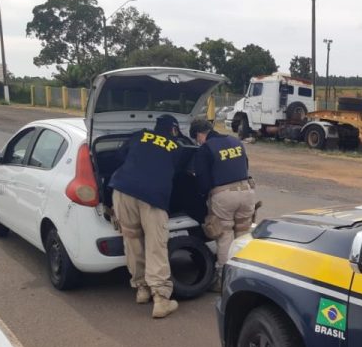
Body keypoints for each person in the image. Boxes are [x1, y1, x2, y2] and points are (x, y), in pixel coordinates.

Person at [110, 114, 183, 319]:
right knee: (155, 243)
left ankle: (141, 289)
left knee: (132, 239)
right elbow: (176, 172)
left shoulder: (138, 136)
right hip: (152, 196)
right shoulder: (176, 147)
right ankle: (160, 299)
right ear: (174, 130)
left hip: (123, 191)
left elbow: (119, 157)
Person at [189, 118, 256, 291]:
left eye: (197, 139)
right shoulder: (235, 141)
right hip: (247, 191)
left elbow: (203, 180)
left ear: (199, 134)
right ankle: (246, 275)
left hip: (224, 196)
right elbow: (245, 165)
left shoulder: (206, 148)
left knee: (224, 236)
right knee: (242, 235)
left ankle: (223, 280)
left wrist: (202, 196)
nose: (198, 142)